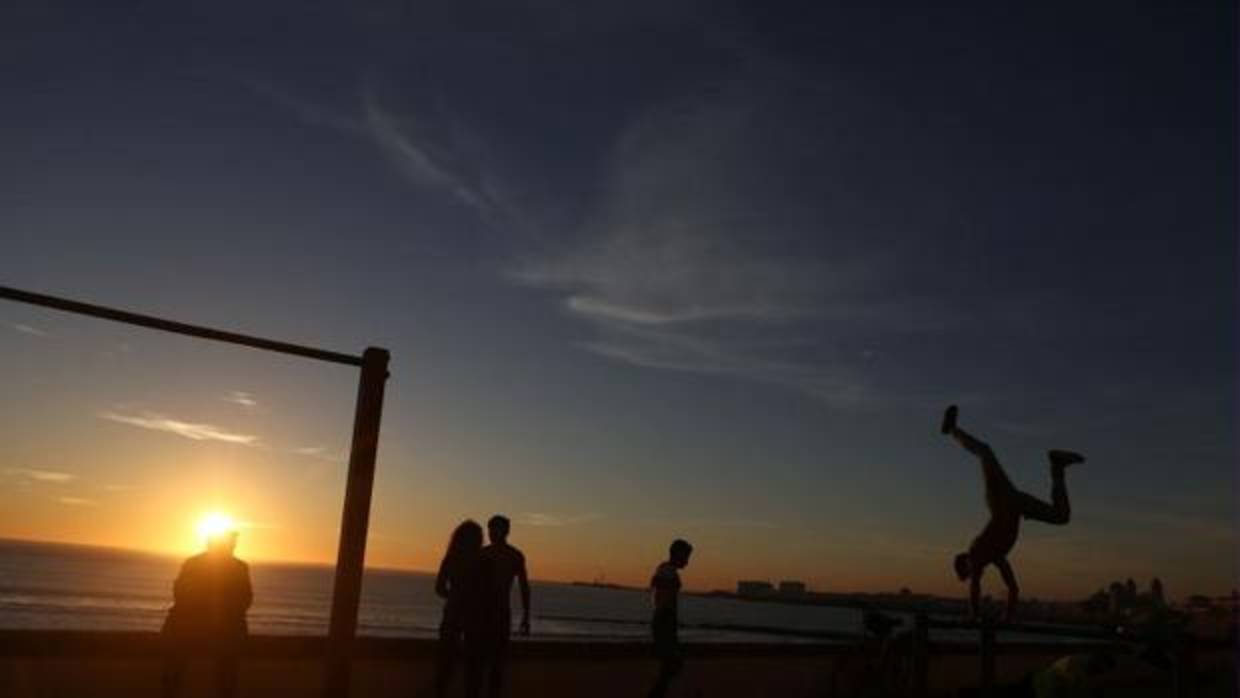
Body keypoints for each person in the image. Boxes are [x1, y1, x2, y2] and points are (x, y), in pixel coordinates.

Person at [941, 405, 1084, 621]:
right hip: (1017, 504)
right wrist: (1007, 618)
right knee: (1061, 516)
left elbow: (976, 587)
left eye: (968, 572)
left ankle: (952, 429)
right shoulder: (997, 555)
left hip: (1001, 500)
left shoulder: (977, 551)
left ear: (966, 563)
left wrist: (974, 616)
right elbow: (1013, 589)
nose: (974, 573)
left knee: (985, 452)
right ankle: (1057, 467)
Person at [161, 527, 252, 698]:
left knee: (224, 671)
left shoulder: (196, 563)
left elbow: (244, 599)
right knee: (224, 673)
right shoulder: (237, 567)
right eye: (231, 543)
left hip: (202, 626)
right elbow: (244, 599)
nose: (234, 546)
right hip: (202, 626)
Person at [470, 515, 531, 698]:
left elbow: (524, 586)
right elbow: (471, 585)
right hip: (481, 614)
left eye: (495, 529)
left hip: (500, 614)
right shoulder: (481, 554)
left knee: (496, 664)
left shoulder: (514, 556)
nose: (491, 533)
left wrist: (526, 615)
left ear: (506, 531)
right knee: (478, 663)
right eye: (490, 529)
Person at [432, 520, 485, 698]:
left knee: (446, 661)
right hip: (475, 615)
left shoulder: (451, 558)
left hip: (453, 613)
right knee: (473, 665)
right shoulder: (482, 561)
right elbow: (488, 591)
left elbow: (439, 588)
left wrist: (454, 595)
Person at [648, 538, 692, 698]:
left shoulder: (664, 569)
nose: (687, 561)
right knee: (671, 664)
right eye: (686, 557)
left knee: (670, 665)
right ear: (678, 554)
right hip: (664, 621)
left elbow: (658, 597)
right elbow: (665, 600)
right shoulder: (668, 572)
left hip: (663, 620)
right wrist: (668, 622)